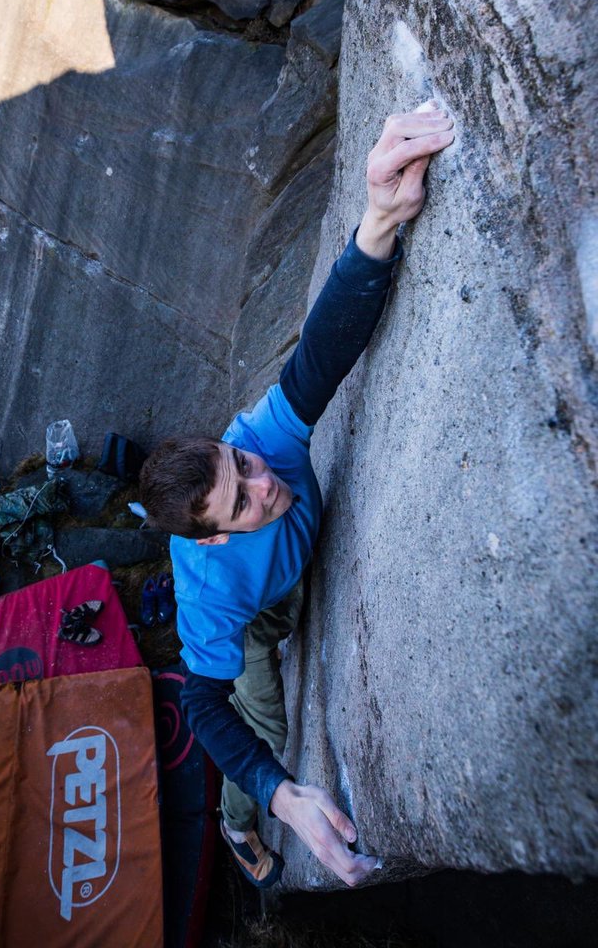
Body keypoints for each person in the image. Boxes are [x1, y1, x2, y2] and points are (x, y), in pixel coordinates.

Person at [139, 103, 455, 888]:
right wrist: (279, 796)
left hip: (286, 574)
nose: (262, 480)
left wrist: (379, 221)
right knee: (265, 724)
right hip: (254, 617)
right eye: (240, 500)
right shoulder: (210, 591)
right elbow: (206, 706)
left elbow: (320, 355)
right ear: (211, 537)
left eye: (239, 463)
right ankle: (236, 828)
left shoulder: (258, 443)